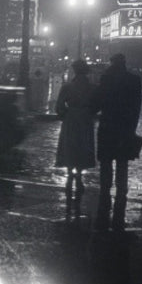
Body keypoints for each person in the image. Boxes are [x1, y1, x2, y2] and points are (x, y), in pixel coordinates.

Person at [90, 54, 142, 230]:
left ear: (113, 63)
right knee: (122, 162)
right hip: (125, 126)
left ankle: (105, 191)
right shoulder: (134, 80)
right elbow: (137, 106)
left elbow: (97, 102)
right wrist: (132, 128)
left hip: (108, 125)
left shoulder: (107, 79)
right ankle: (122, 191)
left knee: (105, 161)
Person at [54, 60, 96, 213]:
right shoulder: (92, 87)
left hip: (71, 118)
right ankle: (79, 173)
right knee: (83, 144)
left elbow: (59, 106)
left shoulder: (67, 87)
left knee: (70, 145)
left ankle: (70, 171)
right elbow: (96, 105)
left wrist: (64, 114)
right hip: (85, 119)